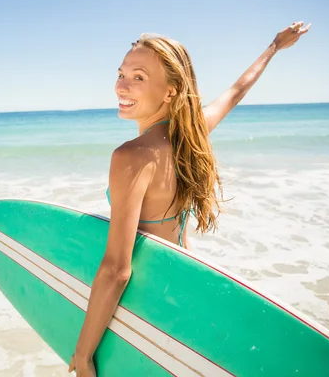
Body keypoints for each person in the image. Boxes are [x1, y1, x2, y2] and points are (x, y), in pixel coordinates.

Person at [68, 21, 311, 376]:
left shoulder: (131, 156)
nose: (121, 85)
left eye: (138, 77)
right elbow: (236, 92)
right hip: (180, 279)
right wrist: (273, 47)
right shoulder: (192, 133)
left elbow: (117, 270)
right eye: (121, 73)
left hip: (143, 298)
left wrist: (85, 353)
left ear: (170, 91)